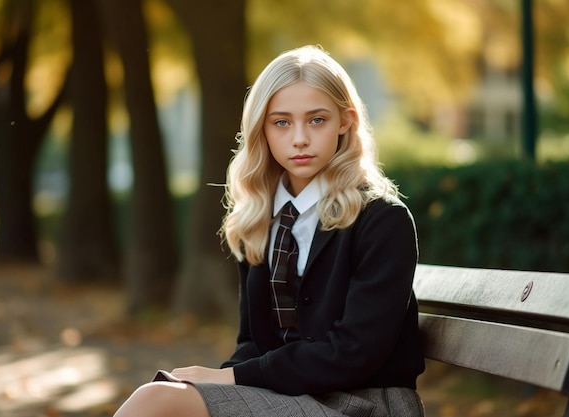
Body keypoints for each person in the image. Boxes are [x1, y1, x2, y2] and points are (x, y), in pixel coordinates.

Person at [113, 45, 425, 417]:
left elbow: (355, 353)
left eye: (317, 120)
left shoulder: (382, 220)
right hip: (291, 399)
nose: (299, 139)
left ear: (346, 121)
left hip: (366, 403)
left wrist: (229, 378)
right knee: (165, 395)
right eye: (281, 122)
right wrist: (225, 378)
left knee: (159, 401)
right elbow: (253, 344)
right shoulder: (259, 222)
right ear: (261, 128)